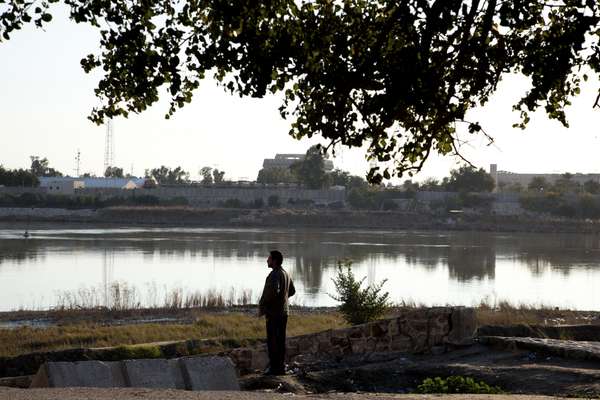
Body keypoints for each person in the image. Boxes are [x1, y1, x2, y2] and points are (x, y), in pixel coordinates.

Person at [258, 250, 296, 375]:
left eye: (269, 258)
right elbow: (291, 291)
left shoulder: (274, 275)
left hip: (274, 313)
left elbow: (274, 291)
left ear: (274, 261)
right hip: (284, 312)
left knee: (273, 341)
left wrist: (265, 305)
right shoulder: (285, 273)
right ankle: (280, 366)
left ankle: (274, 368)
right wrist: (282, 299)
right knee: (280, 340)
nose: (267, 260)